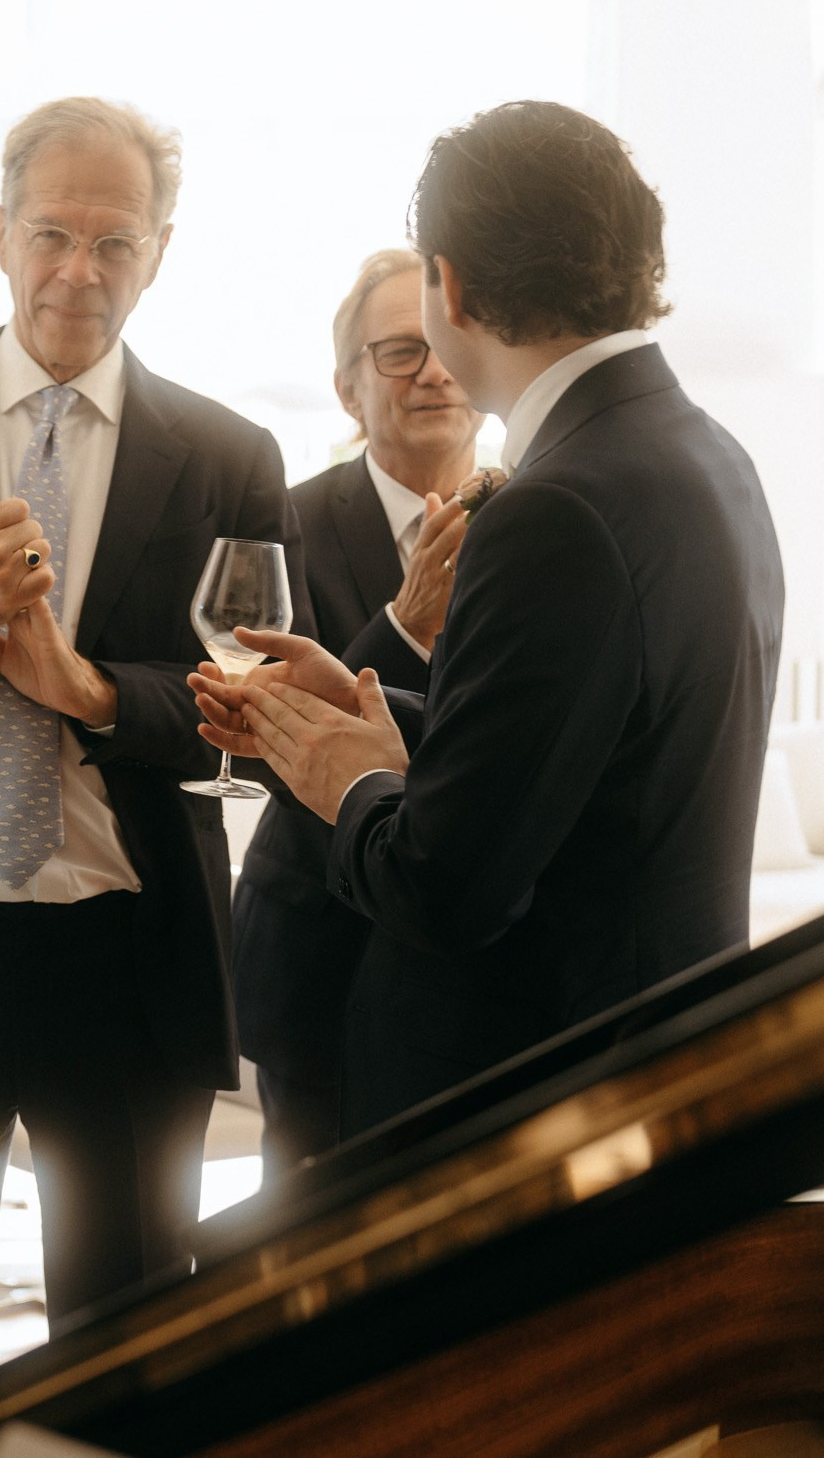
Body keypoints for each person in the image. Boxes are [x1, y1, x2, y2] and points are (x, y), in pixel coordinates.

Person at [194, 101, 784, 1134]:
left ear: (449, 286)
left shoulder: (553, 505)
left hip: (534, 1097)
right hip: (657, 1051)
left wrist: (347, 776)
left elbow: (446, 889)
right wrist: (389, 713)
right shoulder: (703, 451)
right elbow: (592, 754)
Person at [0, 95, 306, 1383]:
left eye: (115, 242)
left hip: (128, 945)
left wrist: (86, 685)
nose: (78, 271)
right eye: (52, 232)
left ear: (161, 249)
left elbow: (266, 716)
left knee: (127, 1338)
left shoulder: (228, 452)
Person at [231, 248, 481, 1174]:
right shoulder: (283, 519)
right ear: (346, 387)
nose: (435, 372)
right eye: (399, 352)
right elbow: (261, 737)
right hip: (317, 958)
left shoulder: (536, 521)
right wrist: (402, 628)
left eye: (448, 344)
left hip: (466, 964)